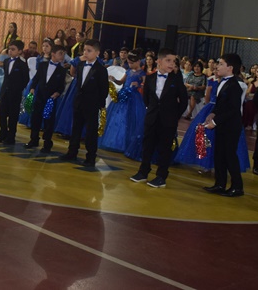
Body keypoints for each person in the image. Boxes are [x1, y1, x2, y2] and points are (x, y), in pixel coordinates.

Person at [130, 48, 188, 188]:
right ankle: (143, 172)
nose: (171, 64)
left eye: (173, 61)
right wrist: (152, 111)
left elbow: (184, 101)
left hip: (168, 120)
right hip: (152, 118)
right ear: (159, 61)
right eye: (168, 60)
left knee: (165, 148)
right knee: (147, 146)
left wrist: (174, 115)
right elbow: (146, 99)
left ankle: (161, 176)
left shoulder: (176, 79)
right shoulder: (150, 78)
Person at [60, 39, 109, 167]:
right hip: (79, 102)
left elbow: (104, 90)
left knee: (91, 132)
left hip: (92, 105)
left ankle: (91, 157)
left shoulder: (101, 70)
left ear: (97, 53)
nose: (85, 53)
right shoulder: (81, 65)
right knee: (75, 128)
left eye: (89, 51)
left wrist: (98, 104)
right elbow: (78, 83)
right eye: (85, 50)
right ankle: (72, 152)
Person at [202, 53, 246, 197]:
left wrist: (214, 122)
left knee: (229, 156)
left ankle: (237, 187)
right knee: (219, 154)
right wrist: (213, 113)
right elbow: (222, 104)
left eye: (221, 64)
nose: (217, 66)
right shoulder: (224, 82)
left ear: (230, 68)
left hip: (230, 127)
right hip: (222, 125)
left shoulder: (234, 86)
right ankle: (220, 184)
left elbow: (233, 110)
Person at [99, 49, 146, 156]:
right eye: (129, 63)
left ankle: (127, 144)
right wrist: (114, 79)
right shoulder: (128, 71)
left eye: (132, 63)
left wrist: (139, 85)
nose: (130, 65)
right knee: (117, 118)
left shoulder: (142, 74)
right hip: (123, 95)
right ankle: (114, 142)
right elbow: (121, 82)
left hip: (134, 98)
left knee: (131, 119)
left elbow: (146, 86)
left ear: (138, 61)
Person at [24, 45, 67, 153]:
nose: (62, 56)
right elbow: (36, 78)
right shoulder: (43, 65)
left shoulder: (62, 70)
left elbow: (61, 86)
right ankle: (34, 139)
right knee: (35, 118)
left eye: (63, 54)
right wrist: (33, 87)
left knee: (49, 121)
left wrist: (57, 93)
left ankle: (47, 143)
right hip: (40, 96)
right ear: (53, 54)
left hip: (51, 99)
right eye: (60, 53)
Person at [0, 40, 30, 145]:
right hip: (5, 92)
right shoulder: (6, 61)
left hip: (15, 93)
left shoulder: (22, 64)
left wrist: (17, 89)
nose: (10, 51)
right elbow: (6, 77)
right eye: (9, 49)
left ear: (20, 51)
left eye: (13, 49)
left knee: (13, 116)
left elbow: (25, 79)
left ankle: (11, 136)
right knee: (2, 114)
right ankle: (2, 134)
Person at [19, 38, 53, 128]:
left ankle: (41, 123)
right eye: (43, 46)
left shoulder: (52, 59)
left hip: (46, 82)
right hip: (37, 80)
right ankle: (29, 121)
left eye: (47, 46)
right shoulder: (40, 57)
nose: (44, 48)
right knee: (30, 100)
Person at [242, 65, 258, 130]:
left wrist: (255, 95)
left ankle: (250, 123)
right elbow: (247, 93)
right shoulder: (252, 82)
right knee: (247, 104)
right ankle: (245, 123)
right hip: (252, 100)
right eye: (257, 72)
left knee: (251, 104)